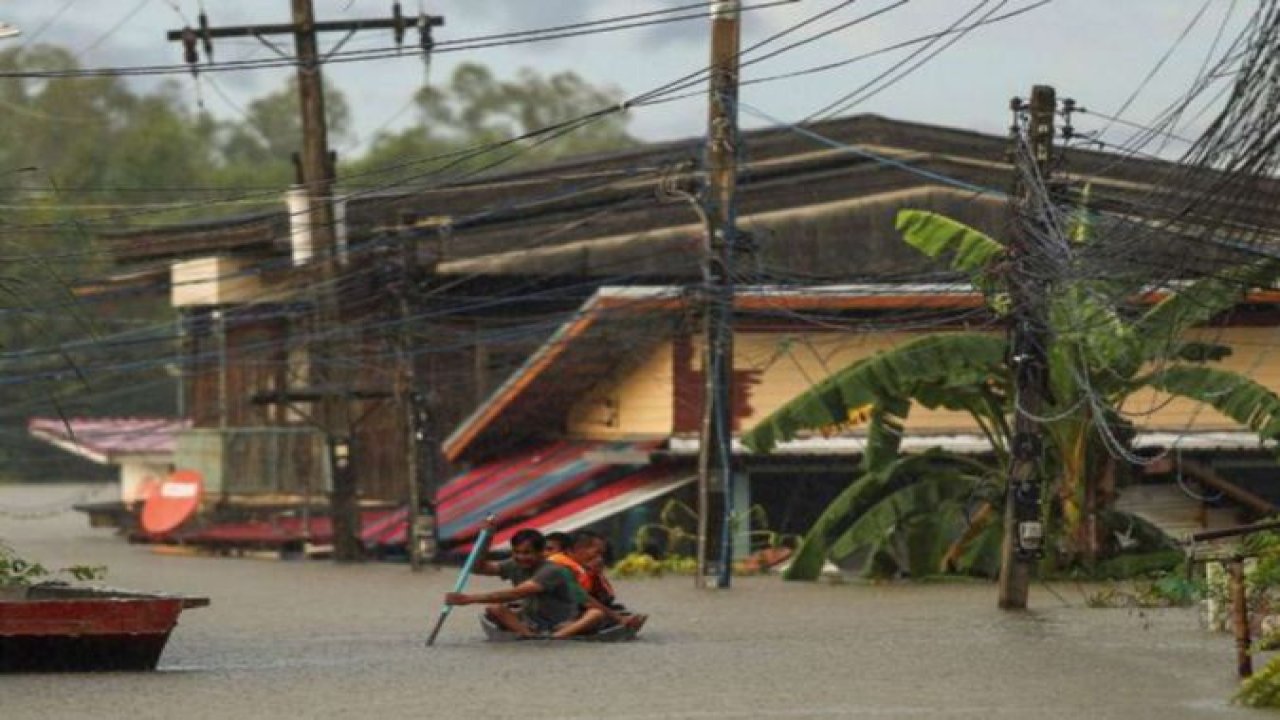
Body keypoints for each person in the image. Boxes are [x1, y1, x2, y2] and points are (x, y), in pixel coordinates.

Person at [445, 527, 605, 639]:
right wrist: (488, 537)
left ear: (541, 552)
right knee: (494, 609)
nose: (521, 557)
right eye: (517, 552)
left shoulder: (552, 570)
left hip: (563, 623)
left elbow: (517, 593)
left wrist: (469, 599)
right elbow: (477, 567)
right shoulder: (515, 563)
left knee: (596, 614)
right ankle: (529, 636)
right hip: (532, 623)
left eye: (527, 553)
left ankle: (557, 638)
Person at [547, 529, 646, 631]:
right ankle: (558, 636)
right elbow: (584, 599)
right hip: (549, 616)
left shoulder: (581, 569)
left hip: (566, 610)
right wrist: (618, 618)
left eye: (601, 554)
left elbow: (605, 598)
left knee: (617, 609)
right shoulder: (559, 568)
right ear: (577, 549)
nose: (600, 558)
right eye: (597, 553)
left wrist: (594, 573)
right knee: (597, 615)